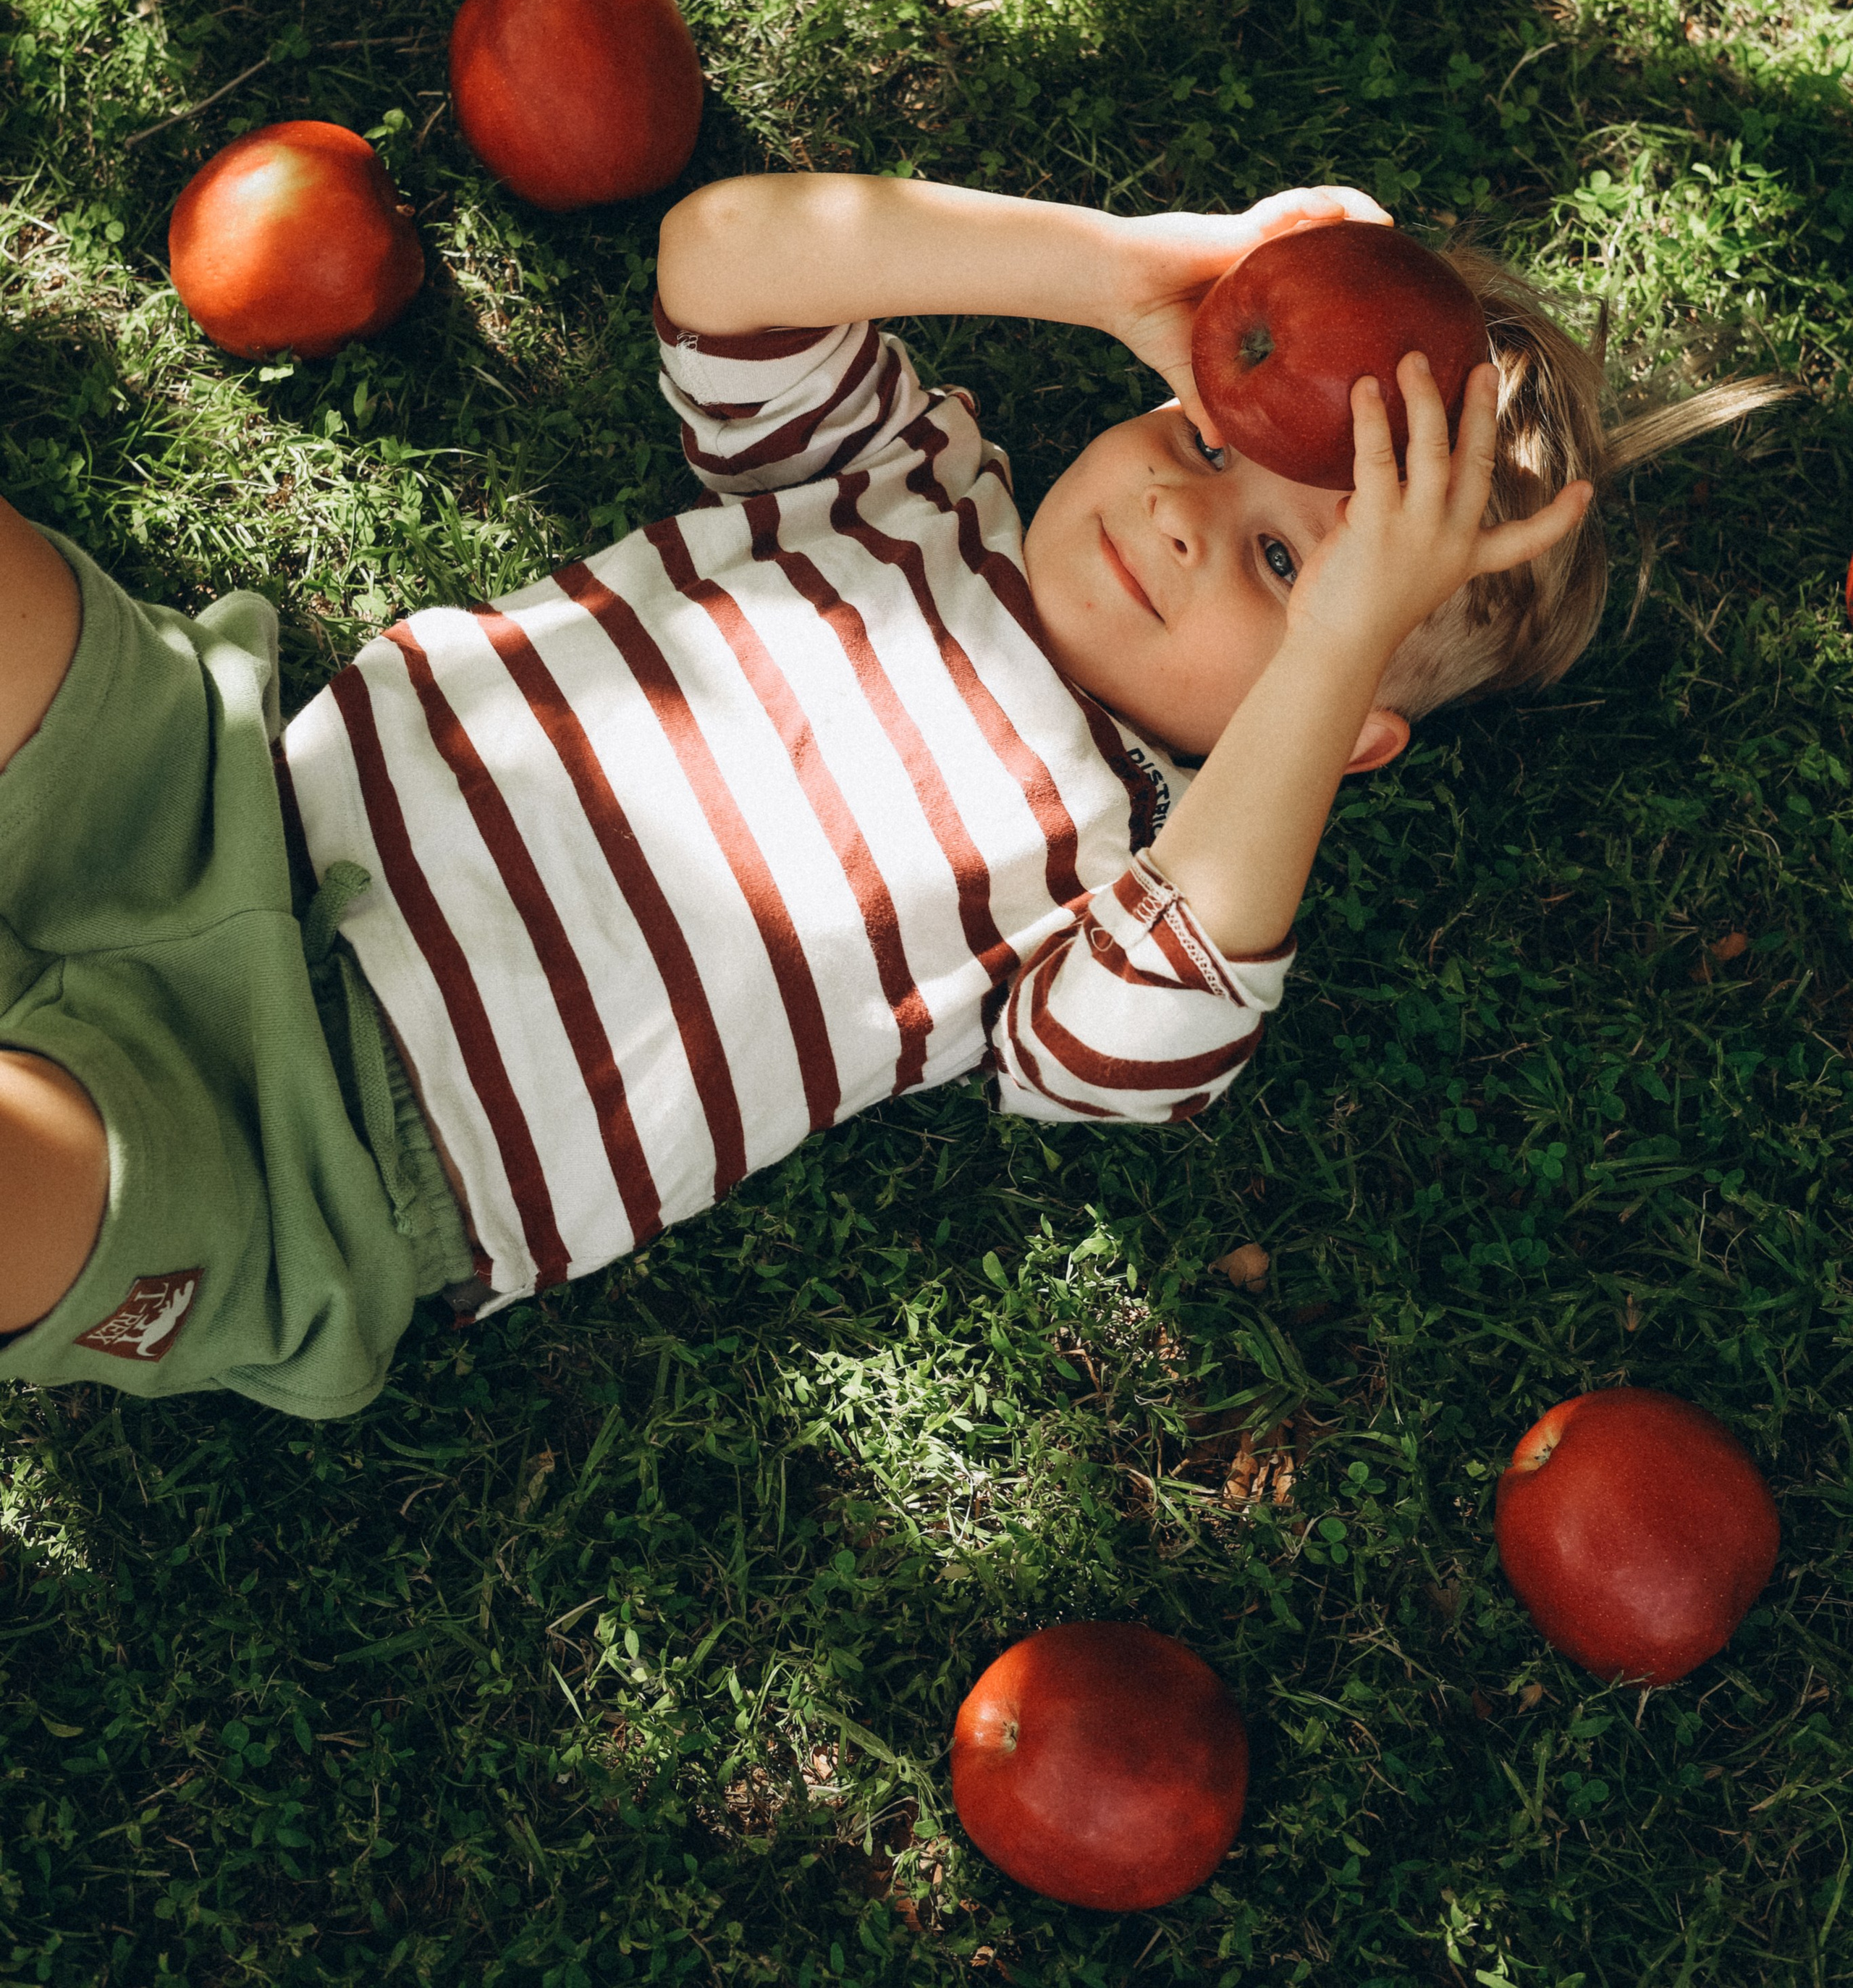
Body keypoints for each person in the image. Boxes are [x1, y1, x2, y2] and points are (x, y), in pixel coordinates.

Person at [0, 176, 1785, 1417]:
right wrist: (1115, 272)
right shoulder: (909, 480)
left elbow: (1137, 1056)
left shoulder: (1124, 872)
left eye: (1277, 564)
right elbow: (726, 262)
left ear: (1341, 731)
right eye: (1195, 438)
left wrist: (1326, 667)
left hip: (338, 1147)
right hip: (239, 796)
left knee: (32, 1165)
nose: (1176, 508)